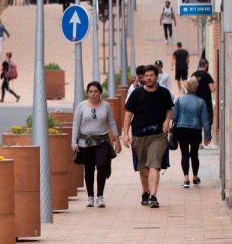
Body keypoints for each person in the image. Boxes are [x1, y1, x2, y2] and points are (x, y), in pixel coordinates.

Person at [122, 64, 174, 209]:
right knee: (143, 166)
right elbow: (128, 115)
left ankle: (153, 196)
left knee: (154, 164)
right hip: (139, 135)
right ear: (143, 77)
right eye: (146, 76)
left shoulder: (164, 93)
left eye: (151, 75)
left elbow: (169, 109)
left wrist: (167, 120)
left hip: (158, 135)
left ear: (157, 77)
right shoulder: (136, 94)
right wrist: (126, 134)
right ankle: (145, 191)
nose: (149, 78)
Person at [71, 81, 120, 208]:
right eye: (91, 91)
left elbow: (112, 123)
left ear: (100, 92)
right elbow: (76, 124)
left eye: (96, 91)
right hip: (85, 142)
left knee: (102, 165)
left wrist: (117, 140)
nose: (93, 94)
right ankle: (90, 197)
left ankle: (100, 196)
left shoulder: (106, 106)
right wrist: (74, 142)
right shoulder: (81, 106)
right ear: (87, 93)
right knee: (88, 169)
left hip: (102, 140)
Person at [172, 78, 212, 188]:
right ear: (196, 87)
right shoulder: (201, 102)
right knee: (194, 154)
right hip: (195, 130)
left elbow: (174, 117)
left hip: (182, 129)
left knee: (184, 154)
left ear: (186, 87)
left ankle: (186, 179)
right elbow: (205, 120)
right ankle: (195, 176)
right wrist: (207, 136)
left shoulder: (179, 100)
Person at [191, 58, 217, 131]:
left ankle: (198, 140)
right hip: (206, 103)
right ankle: (207, 138)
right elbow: (212, 89)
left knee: (197, 122)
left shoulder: (194, 75)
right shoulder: (207, 75)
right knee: (208, 122)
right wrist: (215, 86)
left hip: (195, 103)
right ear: (206, 65)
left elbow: (191, 89)